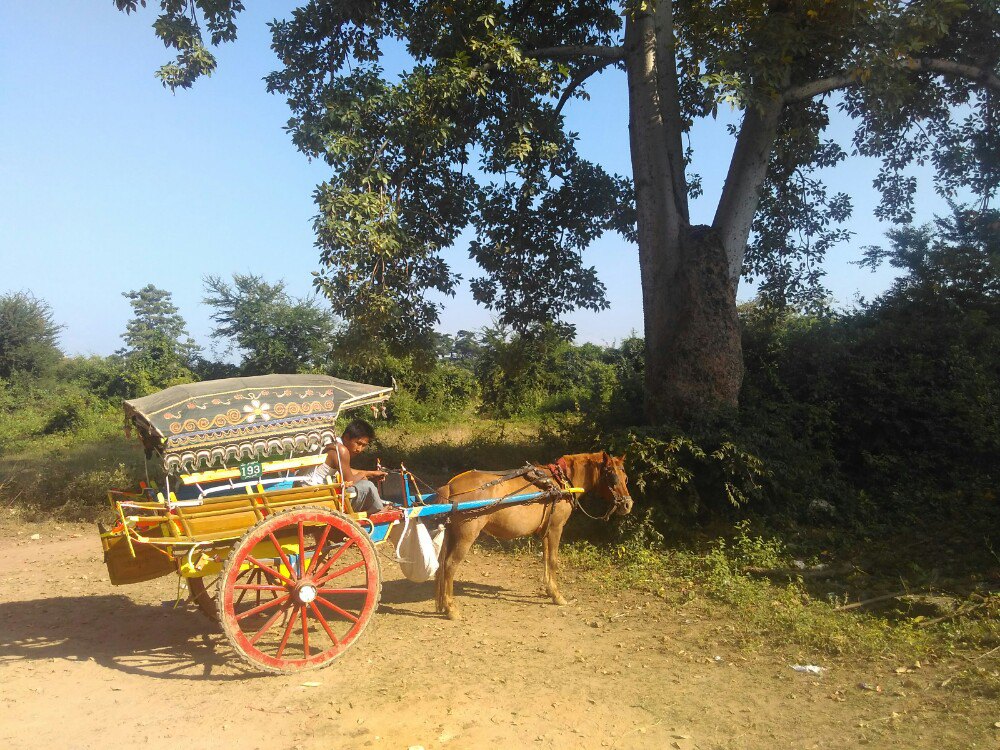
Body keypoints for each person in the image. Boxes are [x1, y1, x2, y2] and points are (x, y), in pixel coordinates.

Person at [304, 419, 388, 514]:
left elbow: (347, 470)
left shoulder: (333, 444)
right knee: (368, 486)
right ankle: (378, 511)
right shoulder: (341, 451)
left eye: (363, 445)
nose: (359, 449)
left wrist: (371, 473)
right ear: (347, 437)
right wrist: (363, 475)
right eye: (358, 443)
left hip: (307, 489)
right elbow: (349, 481)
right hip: (316, 494)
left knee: (363, 481)